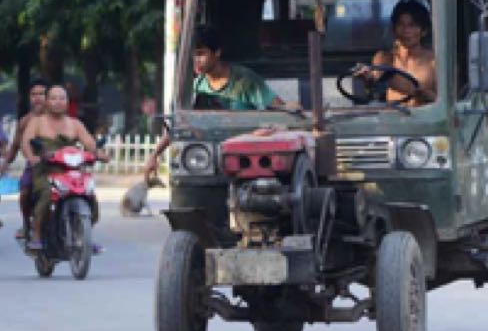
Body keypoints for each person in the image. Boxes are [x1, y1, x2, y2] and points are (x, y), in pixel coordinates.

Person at [143, 25, 295, 177]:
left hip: (246, 160)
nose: (196, 60)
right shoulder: (197, 86)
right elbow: (180, 124)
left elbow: (280, 111)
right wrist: (154, 155)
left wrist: (269, 129)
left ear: (217, 52)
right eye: (193, 55)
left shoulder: (245, 81)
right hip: (208, 160)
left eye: (201, 54)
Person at [21, 84, 108, 251]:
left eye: (62, 98)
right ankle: (37, 234)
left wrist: (99, 154)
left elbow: (90, 144)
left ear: (67, 102)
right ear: (47, 101)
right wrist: (33, 158)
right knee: (46, 194)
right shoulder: (37, 122)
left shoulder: (75, 124)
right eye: (53, 98)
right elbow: (26, 142)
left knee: (89, 193)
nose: (58, 102)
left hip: (71, 169)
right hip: (45, 169)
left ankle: (86, 235)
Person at [354, 0, 437, 107]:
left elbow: (449, 103)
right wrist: (369, 78)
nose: (406, 30)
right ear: (394, 29)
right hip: (393, 121)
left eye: (412, 25)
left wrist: (426, 95)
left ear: (424, 30)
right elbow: (379, 78)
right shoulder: (384, 58)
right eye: (401, 24)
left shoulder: (436, 62)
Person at [0, 78, 48, 239]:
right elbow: (14, 147)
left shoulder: (60, 119)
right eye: (34, 94)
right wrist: (5, 162)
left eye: (42, 93)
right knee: (25, 191)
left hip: (60, 164)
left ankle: (81, 229)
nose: (38, 97)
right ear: (29, 97)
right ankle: (27, 224)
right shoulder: (25, 121)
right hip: (35, 165)